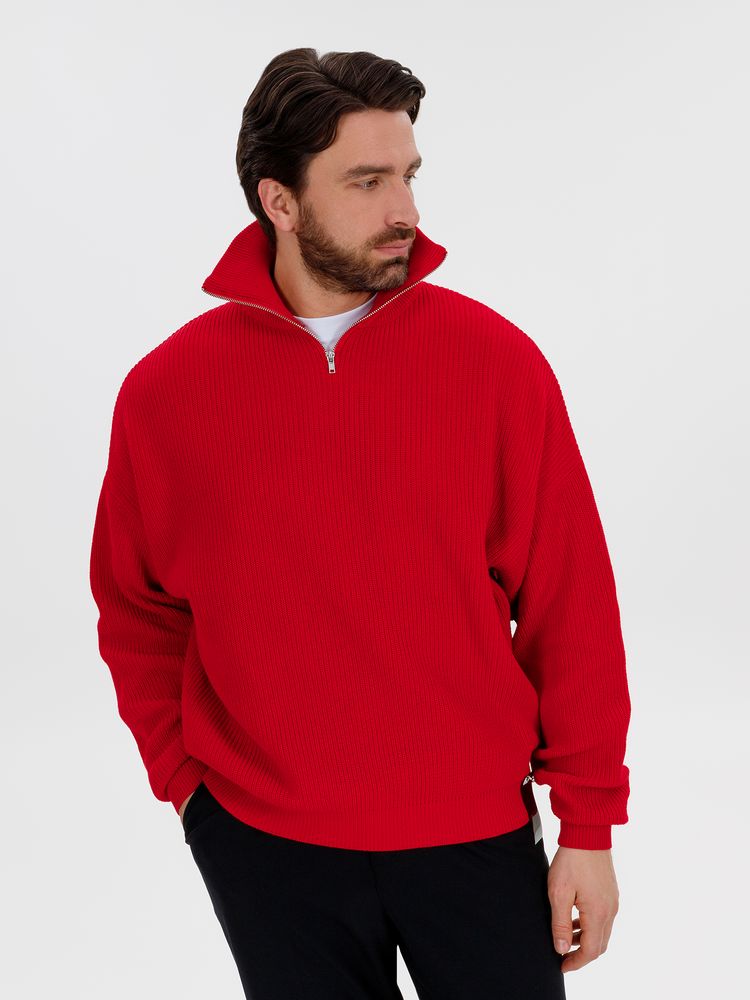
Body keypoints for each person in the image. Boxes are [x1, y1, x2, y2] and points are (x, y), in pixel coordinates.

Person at [89, 46, 631, 1000]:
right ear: (280, 201)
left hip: (471, 830)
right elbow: (137, 610)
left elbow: (570, 602)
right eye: (367, 181)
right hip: (265, 843)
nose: (405, 210)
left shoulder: (495, 366)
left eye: (410, 175)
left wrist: (588, 825)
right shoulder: (167, 394)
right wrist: (190, 791)